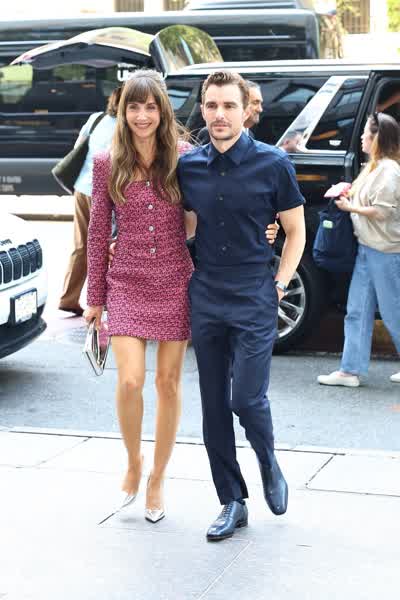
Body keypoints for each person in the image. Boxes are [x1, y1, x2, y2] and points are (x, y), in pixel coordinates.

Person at [87, 69, 279, 525]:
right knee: (130, 380)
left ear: (163, 111)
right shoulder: (106, 162)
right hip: (126, 281)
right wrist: (94, 296)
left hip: (176, 280)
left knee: (168, 383)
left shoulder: (185, 159)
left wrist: (265, 228)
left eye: (151, 107)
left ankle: (158, 477)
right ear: (123, 111)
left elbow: (223, 203)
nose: (142, 116)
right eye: (134, 107)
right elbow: (96, 232)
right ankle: (133, 462)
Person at [177, 70, 306, 541]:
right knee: (214, 406)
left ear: (246, 110)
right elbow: (186, 227)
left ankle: (268, 461)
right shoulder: (188, 167)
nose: (219, 115)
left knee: (246, 399)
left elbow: (296, 231)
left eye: (229, 105)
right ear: (203, 109)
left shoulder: (274, 163)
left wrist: (280, 283)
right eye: (211, 105)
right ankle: (232, 500)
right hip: (207, 295)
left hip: (254, 294)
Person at [318, 112, 400, 387]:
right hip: (368, 249)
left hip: (386, 252)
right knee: (357, 310)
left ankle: (350, 369)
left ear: (378, 138)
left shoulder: (389, 170)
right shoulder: (374, 167)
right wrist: (346, 193)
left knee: (393, 311)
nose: (362, 136)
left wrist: (350, 207)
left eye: (366, 132)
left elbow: (382, 212)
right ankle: (349, 370)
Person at [58, 87, 121, 316]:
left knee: (81, 245)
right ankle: (105, 300)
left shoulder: (96, 118)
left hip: (81, 188)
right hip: (102, 193)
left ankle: (69, 297)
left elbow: (79, 146)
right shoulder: (126, 127)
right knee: (105, 245)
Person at [196, 80, 263, 144]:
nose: (260, 109)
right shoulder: (211, 133)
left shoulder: (250, 134)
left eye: (260, 103)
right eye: (255, 103)